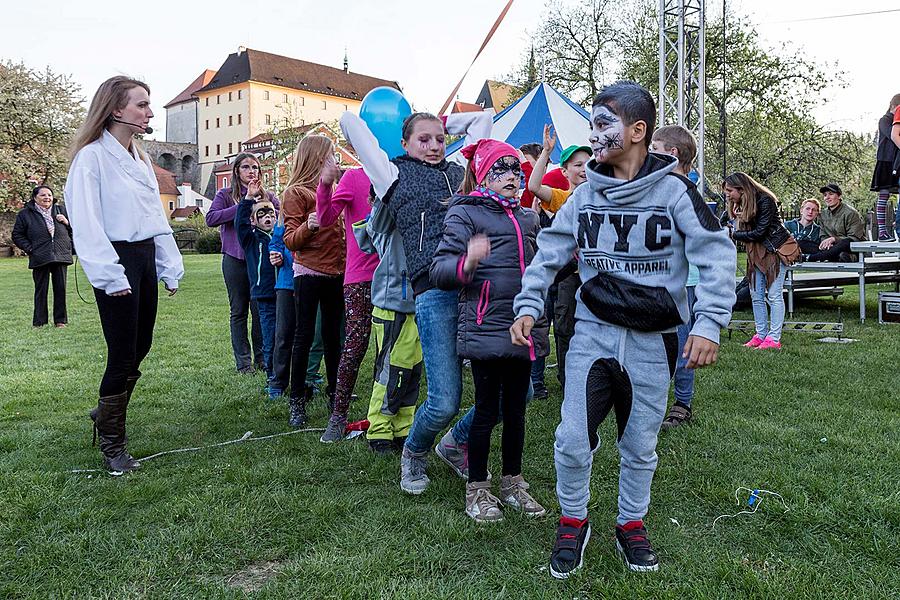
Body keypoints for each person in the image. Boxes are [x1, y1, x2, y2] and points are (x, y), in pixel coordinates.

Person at [510, 81, 735, 576]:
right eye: (593, 123)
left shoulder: (676, 192)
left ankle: (630, 524)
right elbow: (548, 252)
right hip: (591, 332)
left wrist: (710, 322)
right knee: (571, 438)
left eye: (604, 123)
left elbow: (717, 253)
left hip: (653, 342)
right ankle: (574, 520)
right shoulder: (585, 195)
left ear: (637, 131)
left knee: (639, 445)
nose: (595, 133)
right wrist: (528, 304)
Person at [340, 108, 492, 495]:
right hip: (434, 295)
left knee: (508, 391)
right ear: (404, 143)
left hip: (475, 292)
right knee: (443, 402)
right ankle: (415, 451)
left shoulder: (459, 171)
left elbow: (484, 120)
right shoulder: (393, 175)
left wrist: (442, 123)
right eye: (423, 140)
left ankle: (455, 443)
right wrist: (409, 128)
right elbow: (348, 122)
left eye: (440, 139)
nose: (435, 146)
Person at [65, 76, 184, 474]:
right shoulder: (92, 158)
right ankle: (113, 443)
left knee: (141, 346)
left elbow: (154, 215)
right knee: (121, 353)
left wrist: (168, 263)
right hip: (115, 259)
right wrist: (109, 274)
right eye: (142, 105)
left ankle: (105, 412)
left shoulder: (141, 158)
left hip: (144, 256)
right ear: (116, 110)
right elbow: (85, 221)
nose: (150, 112)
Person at [431, 139, 548, 522]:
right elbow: (440, 270)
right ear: (483, 174)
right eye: (502, 170)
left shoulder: (528, 218)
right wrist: (469, 261)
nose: (513, 177)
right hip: (485, 327)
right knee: (486, 410)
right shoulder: (465, 214)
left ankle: (513, 482)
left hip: (521, 326)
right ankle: (477, 489)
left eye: (517, 170)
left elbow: (539, 268)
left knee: (516, 410)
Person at [282, 135, 346, 428]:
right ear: (316, 159)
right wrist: (307, 228)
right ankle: (297, 400)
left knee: (335, 338)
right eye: (330, 156)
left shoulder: (336, 190)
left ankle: (336, 395)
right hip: (308, 272)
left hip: (337, 273)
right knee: (304, 336)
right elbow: (290, 241)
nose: (335, 161)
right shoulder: (297, 193)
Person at [353, 192, 423, 456]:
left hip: (417, 304)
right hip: (393, 306)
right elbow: (379, 223)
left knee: (412, 371)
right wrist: (388, 189)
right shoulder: (385, 214)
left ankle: (403, 426)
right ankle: (379, 428)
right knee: (391, 372)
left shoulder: (416, 213)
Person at [315, 161, 380, 443]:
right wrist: (325, 185)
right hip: (360, 277)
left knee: (390, 350)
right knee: (355, 345)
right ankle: (338, 416)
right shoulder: (354, 178)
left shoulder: (397, 175)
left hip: (395, 278)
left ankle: (383, 417)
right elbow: (326, 218)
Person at [527, 125, 590, 393]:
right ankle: (568, 383)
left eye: (589, 163)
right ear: (565, 172)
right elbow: (533, 186)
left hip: (597, 276)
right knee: (565, 328)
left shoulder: (602, 195)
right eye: (578, 165)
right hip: (570, 276)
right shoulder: (563, 197)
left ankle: (590, 381)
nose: (585, 169)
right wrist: (546, 153)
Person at [206, 153, 278, 374]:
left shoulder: (270, 197)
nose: (251, 171)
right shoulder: (226, 195)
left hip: (260, 262)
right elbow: (211, 218)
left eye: (255, 167)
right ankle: (243, 363)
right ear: (237, 171)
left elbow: (280, 221)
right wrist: (244, 205)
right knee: (238, 311)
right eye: (246, 167)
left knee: (260, 309)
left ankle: (263, 358)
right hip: (234, 260)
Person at [650, 125, 701, 429]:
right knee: (656, 343)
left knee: (682, 342)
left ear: (671, 154)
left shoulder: (687, 194)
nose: (648, 153)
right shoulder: (655, 188)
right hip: (658, 279)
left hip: (685, 282)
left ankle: (682, 402)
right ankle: (652, 398)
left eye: (654, 147)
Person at [724, 172, 788, 350]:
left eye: (730, 190)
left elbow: (760, 232)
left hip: (774, 250)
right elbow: (722, 222)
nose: (727, 194)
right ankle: (761, 335)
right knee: (756, 295)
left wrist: (733, 234)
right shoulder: (739, 204)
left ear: (742, 189)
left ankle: (774, 339)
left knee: (774, 295)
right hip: (756, 253)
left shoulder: (765, 200)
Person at [235, 185, 279, 389]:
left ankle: (285, 370)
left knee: (285, 334)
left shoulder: (281, 238)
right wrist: (248, 200)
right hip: (264, 295)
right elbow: (240, 224)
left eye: (271, 212)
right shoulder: (252, 240)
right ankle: (272, 375)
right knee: (269, 335)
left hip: (285, 293)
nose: (268, 217)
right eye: (261, 214)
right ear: (253, 220)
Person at [12, 185, 73, 328]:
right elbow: (17, 234)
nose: (47, 198)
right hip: (40, 256)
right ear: (35, 198)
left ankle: (60, 321)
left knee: (61, 289)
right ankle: (39, 322)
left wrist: (66, 222)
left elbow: (76, 229)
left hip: (60, 254)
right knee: (41, 290)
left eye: (49, 195)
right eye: (43, 195)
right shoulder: (25, 214)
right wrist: (30, 248)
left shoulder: (61, 210)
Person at [806, 183, 866, 263]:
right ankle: (831, 255)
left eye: (831, 194)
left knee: (845, 243)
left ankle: (814, 258)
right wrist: (827, 243)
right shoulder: (823, 214)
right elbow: (823, 234)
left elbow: (854, 238)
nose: (827, 197)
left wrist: (834, 239)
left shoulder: (851, 213)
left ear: (839, 196)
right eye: (825, 195)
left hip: (851, 247)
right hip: (832, 248)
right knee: (802, 243)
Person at [871, 94, 900, 241]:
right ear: (893, 107)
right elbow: (892, 135)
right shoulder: (885, 120)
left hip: (895, 161)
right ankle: (882, 231)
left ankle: (895, 225)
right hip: (885, 161)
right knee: (883, 196)